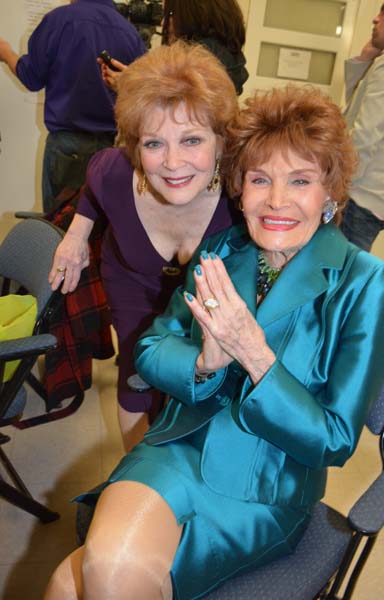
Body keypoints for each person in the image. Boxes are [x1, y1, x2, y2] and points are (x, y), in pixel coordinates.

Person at [44, 85, 384, 600]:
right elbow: (150, 348)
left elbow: (336, 439)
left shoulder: (367, 282)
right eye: (260, 180)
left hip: (266, 484)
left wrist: (254, 354)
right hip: (175, 447)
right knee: (91, 571)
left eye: (299, 181)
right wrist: (205, 363)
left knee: (77, 582)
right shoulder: (223, 248)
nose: (277, 201)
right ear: (240, 187)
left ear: (331, 194)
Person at [48, 41, 240, 451]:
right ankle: (137, 470)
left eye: (191, 140)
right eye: (154, 144)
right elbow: (95, 185)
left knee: (206, 384)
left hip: (206, 304)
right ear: (135, 147)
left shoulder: (241, 191)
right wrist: (76, 234)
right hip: (131, 282)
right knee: (135, 371)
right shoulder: (116, 172)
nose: (172, 162)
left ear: (222, 141)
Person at [0, 0, 146, 212]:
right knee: (97, 230)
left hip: (67, 149)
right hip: (111, 151)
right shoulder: (129, 31)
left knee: (58, 227)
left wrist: (6, 54)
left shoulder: (59, 20)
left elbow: (31, 77)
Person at [340, 0, 384, 251]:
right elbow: (356, 104)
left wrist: (339, 186)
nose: (376, 18)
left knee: (339, 275)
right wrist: (365, 59)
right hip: (379, 196)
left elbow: (365, 133)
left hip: (360, 195)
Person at [101, 0, 249, 95]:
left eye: (169, 14)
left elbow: (175, 105)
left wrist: (131, 87)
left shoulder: (195, 62)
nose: (162, 23)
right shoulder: (229, 59)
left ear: (194, 15)